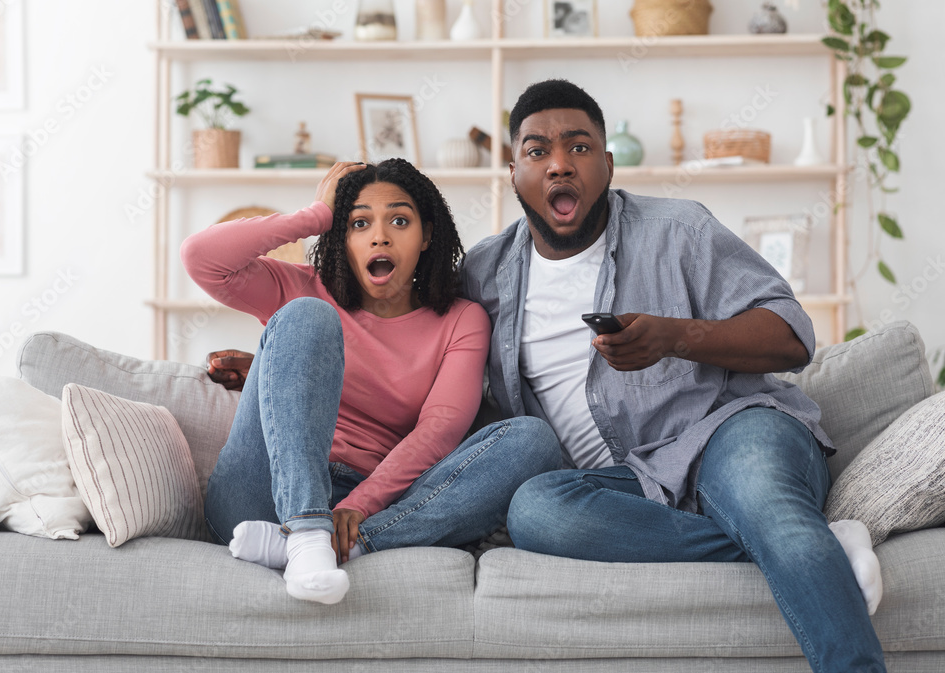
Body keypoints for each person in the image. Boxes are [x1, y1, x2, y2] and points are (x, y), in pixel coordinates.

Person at [460, 79, 886, 673]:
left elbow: (792, 336)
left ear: (607, 164)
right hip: (630, 486)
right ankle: (817, 546)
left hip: (729, 433)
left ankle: (799, 555)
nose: (559, 164)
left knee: (764, 502)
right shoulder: (483, 273)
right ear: (513, 171)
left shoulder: (678, 229)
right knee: (535, 509)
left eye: (579, 147)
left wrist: (674, 336)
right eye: (537, 151)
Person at [182, 158, 560, 605]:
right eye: (359, 223)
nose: (379, 235)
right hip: (260, 496)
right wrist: (317, 215)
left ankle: (338, 546)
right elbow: (202, 259)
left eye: (399, 220)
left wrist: (359, 506)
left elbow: (439, 429)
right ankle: (306, 534)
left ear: (427, 235)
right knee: (307, 316)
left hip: (366, 505)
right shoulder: (302, 288)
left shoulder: (461, 320)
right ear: (342, 238)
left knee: (533, 439)